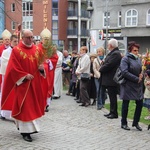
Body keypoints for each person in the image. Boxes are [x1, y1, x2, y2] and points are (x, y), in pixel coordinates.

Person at [1, 29, 47, 142]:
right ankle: (25, 131)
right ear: (23, 38)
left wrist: (42, 69)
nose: (31, 39)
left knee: (33, 106)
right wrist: (24, 75)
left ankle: (31, 128)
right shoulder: (16, 51)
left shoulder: (37, 49)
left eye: (32, 37)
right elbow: (13, 68)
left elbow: (42, 64)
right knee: (25, 107)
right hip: (23, 84)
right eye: (28, 37)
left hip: (35, 84)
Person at [120, 41, 143, 131]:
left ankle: (136, 122)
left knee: (140, 103)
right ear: (130, 50)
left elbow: (141, 69)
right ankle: (124, 122)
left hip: (137, 85)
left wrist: (141, 75)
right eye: (135, 50)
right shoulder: (125, 59)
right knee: (126, 104)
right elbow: (124, 72)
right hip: (128, 84)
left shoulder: (138, 59)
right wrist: (136, 78)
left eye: (137, 50)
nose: (136, 52)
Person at [100, 38, 122, 119]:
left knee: (113, 96)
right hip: (109, 79)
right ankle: (111, 111)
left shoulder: (115, 54)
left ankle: (114, 113)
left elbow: (109, 65)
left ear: (111, 45)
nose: (107, 46)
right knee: (111, 96)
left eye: (108, 44)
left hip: (112, 79)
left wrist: (101, 69)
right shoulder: (112, 53)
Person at [38, 28, 58, 112]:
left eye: (47, 39)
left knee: (48, 87)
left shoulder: (51, 49)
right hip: (40, 72)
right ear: (41, 39)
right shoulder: (37, 47)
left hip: (49, 72)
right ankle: (39, 104)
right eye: (44, 39)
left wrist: (48, 62)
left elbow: (55, 58)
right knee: (40, 88)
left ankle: (46, 104)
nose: (46, 41)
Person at [0, 34, 18, 120]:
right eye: (14, 41)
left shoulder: (19, 51)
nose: (16, 43)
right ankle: (4, 113)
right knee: (6, 93)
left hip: (16, 76)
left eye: (17, 41)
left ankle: (14, 112)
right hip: (7, 76)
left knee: (15, 95)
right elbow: (5, 63)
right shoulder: (5, 52)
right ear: (11, 42)